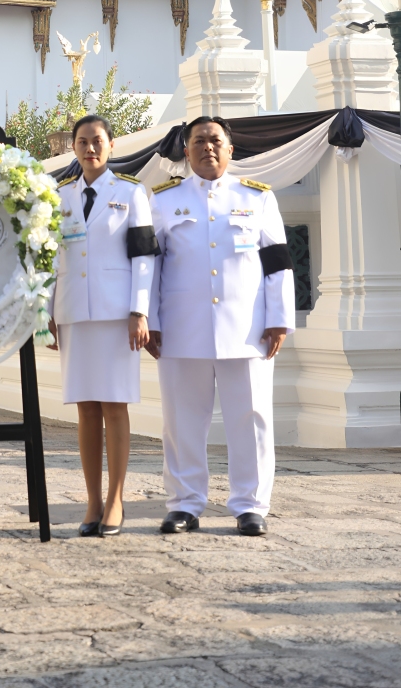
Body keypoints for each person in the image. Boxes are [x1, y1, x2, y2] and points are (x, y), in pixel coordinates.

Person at [147, 115, 295, 538]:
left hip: (247, 329)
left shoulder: (257, 197)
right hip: (181, 328)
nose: (207, 147)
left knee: (251, 419)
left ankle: (251, 506)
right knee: (181, 423)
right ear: (186, 150)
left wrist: (279, 318)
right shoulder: (164, 199)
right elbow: (150, 265)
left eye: (215, 140)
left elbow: (278, 262)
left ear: (230, 149)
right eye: (198, 141)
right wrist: (150, 320)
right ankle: (184, 504)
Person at [48, 114, 158, 537]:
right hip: (74, 312)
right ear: (73, 147)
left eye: (97, 141)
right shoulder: (60, 195)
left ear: (111, 145)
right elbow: (50, 259)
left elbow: (143, 256)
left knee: (114, 405)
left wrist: (139, 311)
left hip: (117, 317)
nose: (90, 148)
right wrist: (48, 313)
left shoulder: (130, 193)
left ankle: (115, 500)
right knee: (85, 408)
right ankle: (92, 500)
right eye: (82, 141)